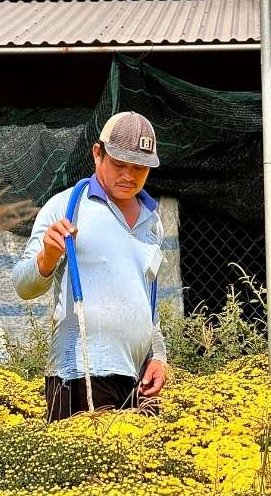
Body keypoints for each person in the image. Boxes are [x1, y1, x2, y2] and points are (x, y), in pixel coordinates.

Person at [13, 111, 168, 421]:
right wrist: (47, 257)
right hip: (79, 375)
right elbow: (22, 285)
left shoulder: (152, 221)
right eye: (120, 164)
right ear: (98, 154)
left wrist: (159, 356)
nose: (129, 176)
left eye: (139, 168)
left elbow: (147, 301)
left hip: (136, 381)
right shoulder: (65, 207)